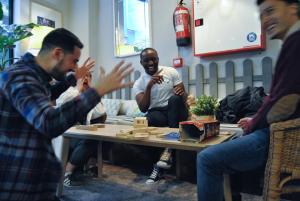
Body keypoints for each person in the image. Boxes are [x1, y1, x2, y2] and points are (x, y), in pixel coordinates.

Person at [0, 28, 132, 201]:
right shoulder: (20, 76)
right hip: (18, 184)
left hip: (36, 181)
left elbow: (47, 94)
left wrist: (72, 78)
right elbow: (49, 122)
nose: (75, 66)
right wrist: (98, 90)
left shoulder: (35, 77)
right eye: (74, 61)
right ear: (58, 53)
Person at [197, 0, 300, 200]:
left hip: (280, 135)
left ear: (293, 8)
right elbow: (277, 98)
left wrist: (254, 124)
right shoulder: (292, 42)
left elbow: (284, 103)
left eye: (270, 11)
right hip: (278, 130)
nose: (265, 20)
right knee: (233, 140)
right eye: (261, 15)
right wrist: (254, 120)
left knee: (207, 159)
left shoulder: (296, 42)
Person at [133, 48, 189, 184]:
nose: (151, 62)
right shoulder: (139, 83)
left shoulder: (171, 72)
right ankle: (156, 167)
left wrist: (182, 93)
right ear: (141, 62)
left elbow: (185, 98)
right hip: (158, 113)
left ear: (158, 59)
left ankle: (169, 149)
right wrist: (149, 86)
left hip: (176, 109)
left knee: (174, 100)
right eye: (147, 60)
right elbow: (143, 107)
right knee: (144, 122)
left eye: (154, 59)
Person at [56, 72, 107, 186]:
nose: (85, 78)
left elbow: (100, 112)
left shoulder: (89, 95)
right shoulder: (69, 91)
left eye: (88, 76)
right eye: (83, 76)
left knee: (94, 138)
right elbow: (60, 103)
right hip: (66, 133)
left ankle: (73, 170)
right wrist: (78, 89)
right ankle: (66, 173)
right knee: (89, 139)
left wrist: (92, 91)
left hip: (79, 132)